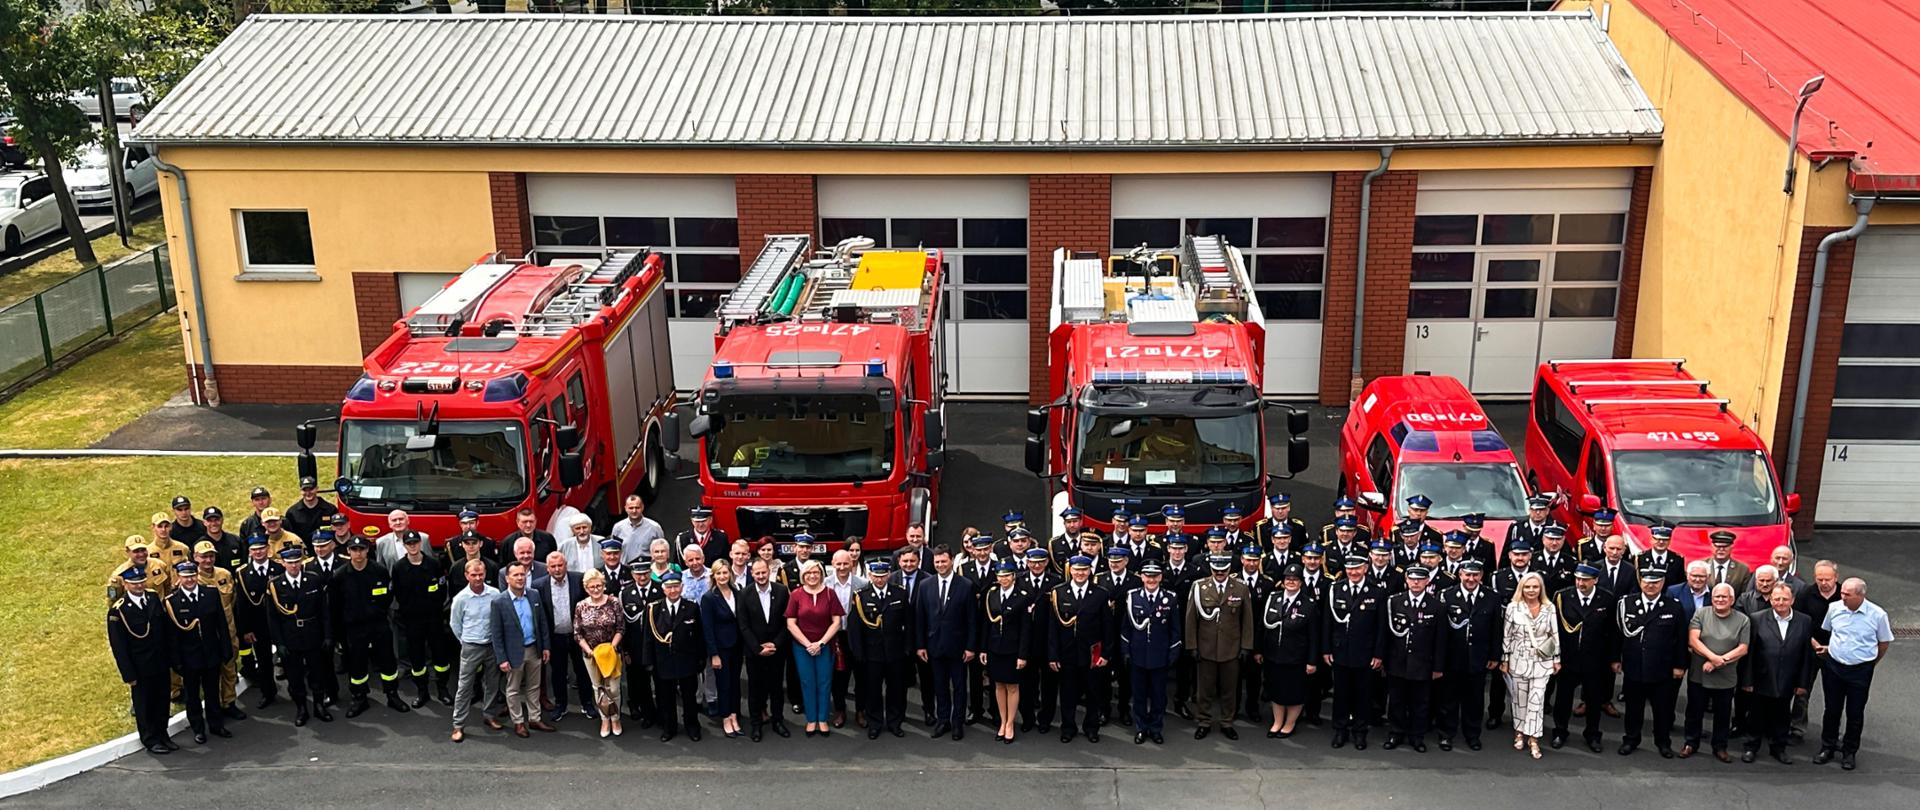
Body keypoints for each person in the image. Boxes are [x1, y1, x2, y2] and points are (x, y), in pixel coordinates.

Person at [1812, 577, 1893, 771]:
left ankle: (1849, 751)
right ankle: (1827, 746)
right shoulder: (1834, 608)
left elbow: (1883, 643)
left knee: (1855, 712)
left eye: (1847, 595)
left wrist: (1870, 663)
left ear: (1861, 595)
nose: (1842, 597)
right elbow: (1829, 632)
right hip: (1834, 667)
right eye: (1842, 593)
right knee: (1831, 709)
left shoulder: (1877, 615)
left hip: (1860, 670)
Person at [1617, 568, 1688, 758]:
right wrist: (1615, 659)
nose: (1651, 585)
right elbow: (1618, 636)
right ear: (1640, 582)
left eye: (1655, 582)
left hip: (1662, 668)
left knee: (1662, 709)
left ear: (1662, 583)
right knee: (1633, 708)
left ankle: (1663, 742)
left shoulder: (1673, 606)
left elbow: (1681, 638)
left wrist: (1680, 665)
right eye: (1647, 581)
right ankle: (1631, 739)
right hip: (1634, 666)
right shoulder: (1627, 603)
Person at [336, 537, 411, 717]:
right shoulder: (340, 575)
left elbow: (387, 595)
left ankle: (392, 694)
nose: (358, 553)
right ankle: (359, 698)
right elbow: (336, 604)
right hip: (354, 627)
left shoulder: (379, 571)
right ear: (348, 551)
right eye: (354, 549)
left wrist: (376, 612)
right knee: (357, 664)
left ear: (367, 550)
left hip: (378, 624)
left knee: (387, 661)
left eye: (361, 549)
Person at [108, 565, 175, 755]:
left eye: (141, 582)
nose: (139, 586)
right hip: (140, 667)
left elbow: (164, 629)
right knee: (145, 704)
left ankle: (163, 734)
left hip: (160, 661)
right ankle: (150, 739)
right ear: (126, 585)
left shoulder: (152, 598)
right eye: (134, 583)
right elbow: (119, 647)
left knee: (162, 701)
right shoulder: (118, 611)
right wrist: (128, 674)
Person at [1550, 564, 1617, 753]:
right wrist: (1554, 656)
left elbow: (1612, 631)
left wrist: (1614, 658)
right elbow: (1554, 629)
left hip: (1596, 659)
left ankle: (1593, 734)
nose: (1581, 583)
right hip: (1568, 657)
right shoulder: (1562, 596)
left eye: (1585, 580)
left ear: (1595, 580)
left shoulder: (1607, 598)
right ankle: (1560, 731)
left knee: (1594, 699)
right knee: (1563, 698)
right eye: (1578, 579)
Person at [1743, 584, 1813, 764]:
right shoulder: (1757, 618)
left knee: (1782, 716)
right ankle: (1751, 747)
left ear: (1792, 600)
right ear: (1771, 600)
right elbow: (1750, 652)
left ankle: (1778, 748)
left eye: (1785, 599)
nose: (1780, 602)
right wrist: (1748, 680)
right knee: (1756, 715)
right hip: (1762, 677)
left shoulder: (1804, 621)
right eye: (1776, 599)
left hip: (1788, 678)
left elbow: (1806, 654)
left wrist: (1802, 683)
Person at [1186, 553, 1252, 741]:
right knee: (1204, 689)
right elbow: (1191, 619)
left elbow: (1247, 619)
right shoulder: (1199, 587)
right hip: (1206, 647)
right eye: (1216, 570)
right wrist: (1192, 645)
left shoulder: (1240, 587)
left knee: (1229, 689)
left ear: (1229, 568)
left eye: (1223, 570)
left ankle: (1227, 722)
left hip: (1231, 648)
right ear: (1211, 568)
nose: (1219, 573)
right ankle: (1204, 721)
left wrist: (1246, 646)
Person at [846, 558, 914, 739]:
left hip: (895, 652)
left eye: (883, 576)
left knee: (896, 689)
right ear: (870, 575)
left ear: (889, 574)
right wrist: (858, 652)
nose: (879, 579)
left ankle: (894, 722)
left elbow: (909, 622)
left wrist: (908, 647)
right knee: (873, 690)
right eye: (876, 576)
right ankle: (875, 723)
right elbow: (854, 628)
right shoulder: (861, 596)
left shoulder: (900, 593)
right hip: (871, 653)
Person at [164, 561, 231, 744]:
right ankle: (198, 729)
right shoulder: (172, 602)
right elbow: (172, 636)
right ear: (179, 577)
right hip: (189, 657)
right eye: (185, 577)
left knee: (212, 692)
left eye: (192, 576)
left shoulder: (211, 594)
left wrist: (225, 649)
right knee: (192, 696)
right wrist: (176, 661)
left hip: (211, 653)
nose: (190, 580)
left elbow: (221, 624)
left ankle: (216, 725)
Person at [1323, 554, 1386, 750]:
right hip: (1340, 651)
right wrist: (1326, 649)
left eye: (1357, 568)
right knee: (1341, 694)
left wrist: (1378, 654)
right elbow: (1327, 622)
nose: (1353, 572)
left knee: (1363, 695)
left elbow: (1381, 626)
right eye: (1350, 568)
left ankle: (1360, 731)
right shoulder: (1335, 589)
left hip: (1365, 653)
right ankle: (1340, 730)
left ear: (1365, 568)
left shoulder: (1376, 591)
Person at [1048, 555, 1112, 744]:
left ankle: (1091, 727)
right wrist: (1053, 654)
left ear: (1090, 571)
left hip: (1092, 653)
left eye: (1084, 570)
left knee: (1093, 692)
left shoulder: (1101, 593)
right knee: (1068, 693)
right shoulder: (1058, 592)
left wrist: (1106, 654)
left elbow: (1108, 627)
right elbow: (1053, 628)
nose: (1080, 573)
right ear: (1071, 570)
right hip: (1067, 653)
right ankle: (1068, 728)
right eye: (1076, 569)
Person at [1682, 582, 1749, 762]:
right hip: (1700, 673)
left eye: (1724, 597)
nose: (1720, 600)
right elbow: (1693, 640)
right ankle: (1691, 742)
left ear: (1732, 600)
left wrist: (1719, 662)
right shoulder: (1701, 614)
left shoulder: (1743, 620)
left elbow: (1743, 648)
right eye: (1716, 596)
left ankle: (1720, 746)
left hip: (1726, 676)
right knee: (1694, 710)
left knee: (1723, 713)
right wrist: (1713, 658)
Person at [268, 546, 334, 726]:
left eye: (297, 562)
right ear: (283, 563)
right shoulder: (275, 585)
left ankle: (319, 706)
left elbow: (324, 611)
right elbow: (273, 618)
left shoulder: (313, 580)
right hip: (290, 637)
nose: (294, 566)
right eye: (290, 562)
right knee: (295, 677)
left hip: (313, 634)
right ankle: (301, 708)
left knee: (317, 673)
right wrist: (279, 643)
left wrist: (328, 635)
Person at [1438, 560, 1499, 751]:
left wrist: (1494, 655)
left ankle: (1472, 735)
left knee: (1475, 700)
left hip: (1478, 658)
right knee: (1449, 699)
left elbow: (1496, 629)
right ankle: (1446, 734)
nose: (1471, 579)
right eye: (1467, 575)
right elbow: (1441, 632)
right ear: (1460, 575)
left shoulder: (1491, 597)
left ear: (1481, 576)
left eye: (1475, 575)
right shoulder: (1446, 595)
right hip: (1452, 658)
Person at [1384, 565, 1446, 753]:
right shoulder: (1394, 602)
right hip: (1398, 661)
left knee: (1420, 703)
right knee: (1396, 701)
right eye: (1412, 578)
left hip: (1422, 663)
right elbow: (1387, 635)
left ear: (1427, 581)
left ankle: (1417, 736)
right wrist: (1384, 661)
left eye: (1420, 579)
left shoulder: (1436, 606)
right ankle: (1396, 733)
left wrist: (1438, 667)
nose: (1416, 582)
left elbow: (1440, 639)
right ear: (1406, 580)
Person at [389, 530, 453, 707]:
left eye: (415, 543)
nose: (413, 546)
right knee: (417, 657)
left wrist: (436, 608)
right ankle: (422, 691)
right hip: (412, 620)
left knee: (440, 656)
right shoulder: (399, 567)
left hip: (434, 618)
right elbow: (397, 593)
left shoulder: (433, 564)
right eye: (409, 544)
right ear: (404, 546)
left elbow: (441, 589)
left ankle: (442, 689)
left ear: (420, 543)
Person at [915, 547, 974, 741]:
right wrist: (920, 645)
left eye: (943, 561)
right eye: (937, 562)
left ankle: (957, 723)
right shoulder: (925, 585)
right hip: (934, 646)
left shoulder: (965, 585)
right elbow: (920, 618)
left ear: (951, 561)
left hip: (958, 647)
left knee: (959, 687)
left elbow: (972, 620)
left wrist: (970, 647)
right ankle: (943, 720)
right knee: (939, 686)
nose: (940, 565)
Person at [1256, 565, 1321, 738]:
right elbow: (1262, 626)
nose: (1291, 582)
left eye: (1295, 579)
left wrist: (1312, 661)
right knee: (1275, 690)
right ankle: (1277, 722)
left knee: (1294, 693)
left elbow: (1314, 636)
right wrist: (1258, 650)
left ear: (1301, 582)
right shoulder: (1273, 598)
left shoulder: (1309, 604)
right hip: (1273, 655)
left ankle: (1290, 723)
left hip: (1296, 657)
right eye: (1288, 579)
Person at [491, 562, 552, 738]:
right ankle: (518, 722)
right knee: (513, 689)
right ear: (507, 578)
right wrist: (502, 658)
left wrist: (546, 646)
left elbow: (542, 622)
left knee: (534, 687)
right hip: (513, 653)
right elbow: (496, 633)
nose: (520, 578)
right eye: (515, 575)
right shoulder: (499, 602)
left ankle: (534, 718)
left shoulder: (534, 595)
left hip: (534, 649)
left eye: (522, 574)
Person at [1502, 571, 1558, 759]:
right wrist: (1505, 659)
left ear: (1541, 589)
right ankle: (1519, 732)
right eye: (1527, 587)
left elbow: (1554, 634)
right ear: (1521, 588)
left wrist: (1557, 659)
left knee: (1537, 700)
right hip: (1518, 659)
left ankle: (1534, 738)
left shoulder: (1549, 608)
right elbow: (1507, 635)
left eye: (1535, 587)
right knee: (1519, 699)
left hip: (1542, 660)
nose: (1531, 590)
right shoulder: (1513, 608)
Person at [785, 560, 843, 738]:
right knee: (807, 682)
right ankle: (811, 719)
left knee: (824, 682)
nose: (812, 576)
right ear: (803, 575)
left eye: (816, 572)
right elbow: (791, 623)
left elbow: (837, 622)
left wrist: (821, 643)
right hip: (802, 647)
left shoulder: (830, 593)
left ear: (821, 574)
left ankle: (822, 719)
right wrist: (807, 644)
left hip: (825, 646)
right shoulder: (796, 594)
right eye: (808, 573)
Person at [645, 571, 705, 742]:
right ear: (663, 589)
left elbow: (699, 636)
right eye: (669, 587)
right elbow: (648, 638)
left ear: (682, 587)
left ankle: (692, 726)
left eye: (676, 586)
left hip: (687, 660)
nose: (673, 590)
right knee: (666, 697)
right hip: (663, 661)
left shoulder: (691, 607)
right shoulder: (654, 609)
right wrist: (648, 661)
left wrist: (701, 659)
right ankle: (669, 727)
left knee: (689, 697)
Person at [190, 542, 246, 721]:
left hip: (228, 631)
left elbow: (233, 600)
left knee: (229, 668)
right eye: (203, 556)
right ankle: (214, 707)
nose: (208, 560)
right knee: (211, 674)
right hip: (207, 635)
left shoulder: (225, 574)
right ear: (195, 557)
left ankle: (229, 702)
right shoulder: (191, 578)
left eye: (211, 556)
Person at [448, 559, 501, 743]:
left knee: (492, 683)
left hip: (491, 645)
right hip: (471, 647)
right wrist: (465, 641)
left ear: (485, 574)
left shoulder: (495, 594)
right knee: (465, 687)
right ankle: (458, 725)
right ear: (466, 576)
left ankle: (489, 715)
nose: (478, 578)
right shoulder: (460, 599)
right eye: (473, 575)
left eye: (480, 574)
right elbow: (455, 624)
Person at [738, 557, 791, 741]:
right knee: (755, 689)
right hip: (755, 652)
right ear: (752, 574)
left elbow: (787, 622)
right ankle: (756, 724)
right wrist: (757, 648)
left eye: (764, 572)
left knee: (777, 688)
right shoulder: (744, 594)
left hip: (777, 650)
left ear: (769, 572)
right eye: (757, 573)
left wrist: (776, 644)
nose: (761, 576)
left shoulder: (782, 591)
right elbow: (743, 625)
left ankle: (778, 721)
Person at [980, 562, 1033, 743]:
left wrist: (1022, 655)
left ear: (1013, 577)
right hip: (995, 648)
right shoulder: (992, 594)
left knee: (1012, 687)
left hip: (1013, 649)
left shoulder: (1022, 597)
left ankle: (1010, 723)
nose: (1003, 579)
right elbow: (987, 623)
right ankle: (1002, 721)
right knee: (999, 685)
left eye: (1007, 575)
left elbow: (1026, 629)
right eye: (1000, 576)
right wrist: (983, 648)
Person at [536, 551, 590, 722]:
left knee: (582, 671)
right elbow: (541, 617)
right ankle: (561, 705)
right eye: (553, 566)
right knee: (558, 673)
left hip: (578, 637)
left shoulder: (578, 579)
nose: (557, 569)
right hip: (555, 637)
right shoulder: (539, 585)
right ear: (547, 568)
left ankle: (587, 703)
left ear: (566, 565)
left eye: (560, 565)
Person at [1792, 560, 1841, 741]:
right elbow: (1797, 620)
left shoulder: (1844, 595)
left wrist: (1831, 647)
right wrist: (1812, 642)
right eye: (1819, 579)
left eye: (1828, 579)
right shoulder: (1806, 594)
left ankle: (1831, 733)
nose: (1823, 583)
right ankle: (1797, 728)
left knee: (1834, 695)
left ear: (1836, 577)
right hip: (1810, 649)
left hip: (1835, 651)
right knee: (1802, 691)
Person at [573, 570, 624, 738]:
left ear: (604, 586)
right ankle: (605, 719)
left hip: (612, 652)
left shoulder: (614, 602)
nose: (596, 589)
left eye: (599, 586)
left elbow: (621, 628)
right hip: (591, 655)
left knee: (613, 688)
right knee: (598, 687)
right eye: (592, 587)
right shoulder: (581, 606)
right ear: (586, 588)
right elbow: (577, 633)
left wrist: (612, 647)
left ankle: (615, 718)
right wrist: (589, 651)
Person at [700, 559, 744, 738]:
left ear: (730, 574)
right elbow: (707, 629)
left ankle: (734, 715)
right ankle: (726, 718)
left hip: (737, 646)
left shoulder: (738, 592)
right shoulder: (709, 598)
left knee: (735, 684)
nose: (722, 576)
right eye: (719, 573)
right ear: (714, 576)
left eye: (725, 572)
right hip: (720, 649)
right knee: (723, 685)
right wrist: (714, 654)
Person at [619, 562, 663, 729]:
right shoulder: (625, 593)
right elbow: (623, 626)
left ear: (650, 572)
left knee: (661, 683)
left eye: (645, 573)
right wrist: (626, 651)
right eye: (638, 574)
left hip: (658, 646)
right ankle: (648, 714)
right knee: (641, 683)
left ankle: (663, 715)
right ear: (632, 575)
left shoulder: (661, 589)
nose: (642, 577)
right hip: (636, 647)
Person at [611, 495, 665, 565]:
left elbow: (663, 550)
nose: (634, 511)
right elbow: (614, 550)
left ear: (642, 507)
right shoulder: (618, 528)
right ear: (626, 508)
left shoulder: (655, 527)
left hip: (647, 569)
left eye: (637, 507)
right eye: (631, 508)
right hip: (626, 569)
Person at [283, 476, 338, 542]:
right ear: (300, 491)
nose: (308, 493)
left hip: (325, 547)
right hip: (302, 547)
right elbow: (288, 536)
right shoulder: (292, 513)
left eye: (311, 489)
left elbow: (337, 531)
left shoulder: (330, 510)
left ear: (317, 488)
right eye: (304, 490)